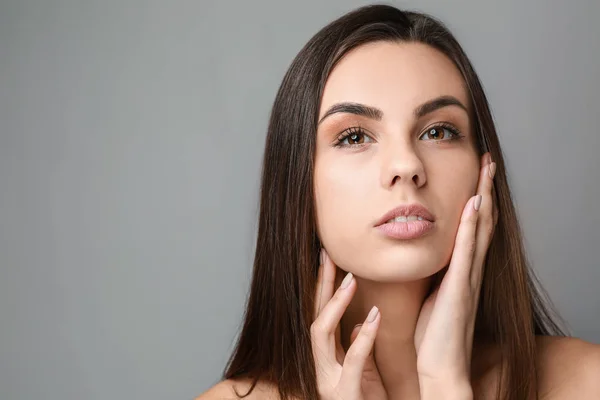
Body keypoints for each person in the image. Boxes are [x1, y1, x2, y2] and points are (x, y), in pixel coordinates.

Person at [198, 4, 600, 399]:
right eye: (354, 137)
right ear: (297, 182)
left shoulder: (585, 382)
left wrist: (445, 386)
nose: (407, 165)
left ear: (485, 166)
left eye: (439, 132)